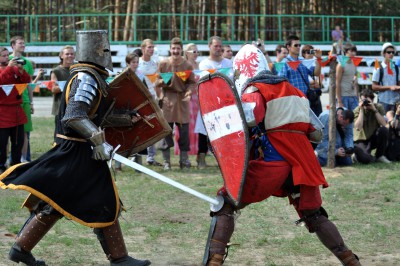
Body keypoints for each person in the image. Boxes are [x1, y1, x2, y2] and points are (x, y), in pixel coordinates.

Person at [0, 30, 151, 266]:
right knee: (105, 199)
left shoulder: (90, 76)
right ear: (94, 50)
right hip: (78, 152)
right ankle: (120, 258)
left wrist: (123, 119)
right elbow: (74, 117)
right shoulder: (87, 77)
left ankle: (21, 248)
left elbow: (91, 116)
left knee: (57, 200)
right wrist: (99, 141)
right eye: (105, 50)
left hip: (77, 150)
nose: (107, 54)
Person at [203, 44, 361, 266]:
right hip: (303, 162)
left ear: (243, 69)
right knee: (314, 214)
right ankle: (350, 261)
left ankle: (214, 261)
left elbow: (246, 120)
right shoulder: (296, 92)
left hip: (276, 159)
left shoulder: (255, 89)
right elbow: (316, 132)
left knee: (225, 203)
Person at [156, 37, 197, 170]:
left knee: (184, 132)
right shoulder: (163, 64)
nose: (175, 51)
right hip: (168, 99)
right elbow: (156, 82)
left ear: (181, 50)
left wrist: (189, 92)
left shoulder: (187, 65)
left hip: (182, 101)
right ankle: (166, 161)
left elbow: (192, 82)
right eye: (173, 48)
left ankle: (184, 160)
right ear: (170, 49)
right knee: (166, 131)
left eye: (178, 48)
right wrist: (160, 94)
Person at [195, 36, 233, 168]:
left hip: (225, 101)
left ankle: (223, 158)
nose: (218, 49)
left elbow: (232, 80)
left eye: (220, 46)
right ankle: (201, 157)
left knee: (224, 130)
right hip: (209, 100)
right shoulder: (204, 64)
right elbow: (208, 81)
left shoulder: (228, 63)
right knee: (204, 129)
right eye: (215, 46)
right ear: (209, 46)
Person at [0, 47, 30, 173]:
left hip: (17, 112)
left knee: (18, 142)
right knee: (1, 143)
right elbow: (1, 80)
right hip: (2, 112)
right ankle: (1, 166)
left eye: (8, 55)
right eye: (4, 56)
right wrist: (8, 68)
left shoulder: (15, 69)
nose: (8, 58)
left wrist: (21, 71)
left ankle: (15, 165)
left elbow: (27, 81)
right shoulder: (7, 69)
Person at [114, 52, 146, 172]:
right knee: (121, 135)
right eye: (133, 62)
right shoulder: (121, 75)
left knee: (137, 135)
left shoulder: (140, 75)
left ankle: (138, 166)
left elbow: (144, 92)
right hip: (123, 109)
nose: (136, 64)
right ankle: (118, 165)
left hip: (137, 107)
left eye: (137, 62)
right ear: (127, 63)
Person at [10, 36, 34, 162]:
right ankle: (8, 159)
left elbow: (30, 85)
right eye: (20, 43)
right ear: (13, 45)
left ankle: (24, 159)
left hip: (23, 100)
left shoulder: (27, 63)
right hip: (8, 101)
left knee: (24, 132)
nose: (23, 45)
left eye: (24, 43)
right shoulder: (6, 59)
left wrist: (31, 102)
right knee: (7, 132)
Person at [278, 35, 322, 105]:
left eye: (299, 45)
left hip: (305, 99)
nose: (298, 47)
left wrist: (319, 59)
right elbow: (282, 85)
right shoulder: (284, 63)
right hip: (293, 101)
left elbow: (315, 73)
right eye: (296, 45)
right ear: (288, 47)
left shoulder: (303, 61)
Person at [138, 38, 162, 166]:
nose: (151, 49)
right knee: (141, 127)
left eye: (153, 47)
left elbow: (156, 83)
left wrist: (160, 96)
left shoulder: (155, 63)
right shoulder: (138, 63)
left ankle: (151, 157)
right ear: (143, 49)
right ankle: (137, 155)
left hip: (153, 98)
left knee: (153, 126)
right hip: (141, 100)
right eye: (149, 47)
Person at [353, 88, 391, 164]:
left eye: (367, 101)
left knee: (384, 130)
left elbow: (384, 124)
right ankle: (357, 156)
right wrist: (361, 110)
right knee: (366, 159)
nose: (365, 103)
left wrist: (374, 110)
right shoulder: (357, 110)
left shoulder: (378, 107)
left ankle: (379, 156)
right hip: (361, 140)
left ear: (372, 100)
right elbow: (358, 127)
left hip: (372, 138)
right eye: (363, 100)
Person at [50, 45, 75, 140]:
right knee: (60, 136)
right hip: (60, 107)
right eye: (67, 54)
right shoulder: (56, 71)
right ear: (61, 56)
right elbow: (53, 89)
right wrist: (69, 85)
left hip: (74, 107)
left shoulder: (76, 69)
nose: (70, 56)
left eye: (72, 54)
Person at [183, 43, 200, 162]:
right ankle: (186, 153)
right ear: (187, 53)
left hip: (199, 98)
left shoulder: (200, 65)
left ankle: (199, 152)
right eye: (193, 51)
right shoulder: (184, 66)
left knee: (199, 126)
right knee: (188, 126)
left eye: (197, 51)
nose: (196, 54)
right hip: (188, 98)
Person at [371, 42, 400, 113]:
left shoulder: (396, 68)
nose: (391, 54)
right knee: (384, 123)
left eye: (393, 52)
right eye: (389, 52)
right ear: (384, 53)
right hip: (383, 101)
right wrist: (389, 87)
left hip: (396, 101)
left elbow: (398, 84)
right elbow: (374, 87)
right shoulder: (378, 67)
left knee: (396, 123)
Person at [301, 44, 323, 117]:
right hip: (307, 95)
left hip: (315, 96)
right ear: (303, 54)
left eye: (312, 52)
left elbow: (319, 81)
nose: (310, 54)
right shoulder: (301, 64)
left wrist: (318, 58)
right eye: (308, 52)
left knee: (318, 117)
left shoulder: (315, 65)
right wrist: (312, 83)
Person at [336, 43, 359, 111]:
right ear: (346, 52)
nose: (353, 53)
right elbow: (337, 83)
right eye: (351, 51)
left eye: (354, 51)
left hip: (353, 96)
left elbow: (355, 76)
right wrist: (339, 101)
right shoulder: (341, 64)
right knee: (344, 119)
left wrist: (354, 80)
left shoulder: (354, 63)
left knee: (355, 117)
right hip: (343, 96)